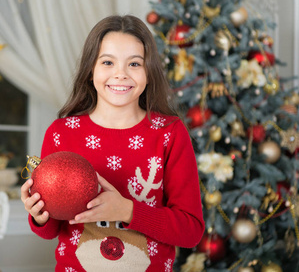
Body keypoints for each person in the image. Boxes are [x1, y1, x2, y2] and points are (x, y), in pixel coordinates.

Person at [21, 15, 205, 272]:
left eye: (134, 64)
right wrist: (39, 216)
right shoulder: (61, 134)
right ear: (91, 70)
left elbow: (190, 231)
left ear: (148, 72)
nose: (121, 74)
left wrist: (128, 211)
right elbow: (50, 231)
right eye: (108, 62)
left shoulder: (169, 133)